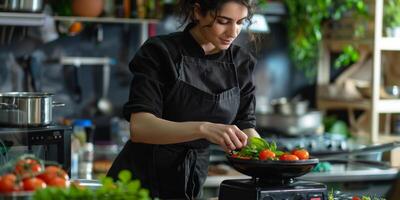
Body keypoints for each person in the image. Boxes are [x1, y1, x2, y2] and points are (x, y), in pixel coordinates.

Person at [107, 0, 260, 199]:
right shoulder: (160, 52)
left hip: (191, 180)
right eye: (223, 21)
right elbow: (140, 128)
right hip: (139, 183)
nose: (233, 32)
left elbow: (246, 126)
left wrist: (273, 162)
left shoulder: (241, 62)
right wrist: (203, 129)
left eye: (240, 22)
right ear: (198, 12)